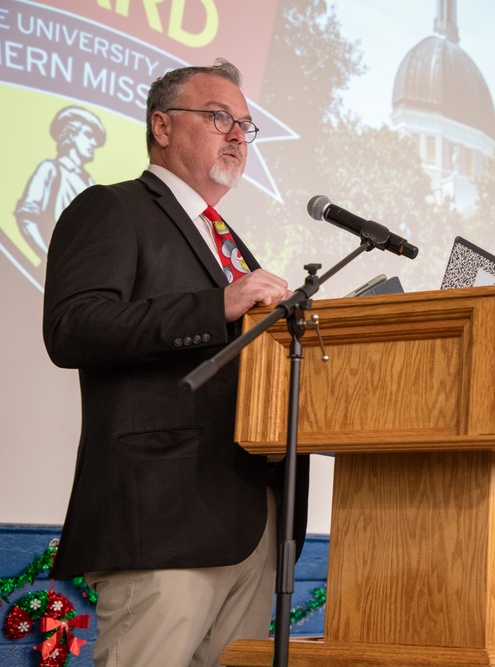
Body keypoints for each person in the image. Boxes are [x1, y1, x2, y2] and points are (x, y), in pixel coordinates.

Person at [43, 59, 309, 667]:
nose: (238, 135)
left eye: (246, 124)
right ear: (162, 126)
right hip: (162, 522)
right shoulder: (111, 208)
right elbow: (72, 328)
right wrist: (216, 304)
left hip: (251, 522)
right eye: (220, 117)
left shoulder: (230, 241)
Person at [15, 106, 106, 257]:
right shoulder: (50, 169)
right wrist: (49, 258)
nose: (93, 143)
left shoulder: (89, 180)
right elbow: (27, 217)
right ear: (71, 135)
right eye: (88, 135)